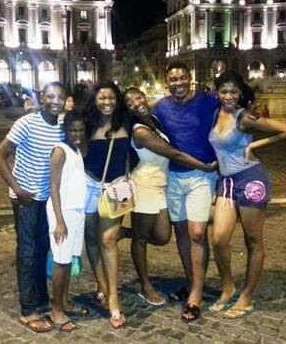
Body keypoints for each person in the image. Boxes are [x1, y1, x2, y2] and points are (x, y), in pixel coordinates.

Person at [208, 70, 286, 318]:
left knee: (253, 240)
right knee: (218, 239)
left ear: (240, 93)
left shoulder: (245, 117)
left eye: (233, 91)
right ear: (217, 93)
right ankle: (228, 287)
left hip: (250, 179)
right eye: (224, 91)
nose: (228, 96)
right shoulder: (215, 114)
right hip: (226, 182)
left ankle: (246, 297)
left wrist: (255, 144)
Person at [124, 87, 216, 306]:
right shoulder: (140, 131)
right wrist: (203, 166)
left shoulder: (154, 119)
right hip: (144, 186)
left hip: (161, 186)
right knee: (141, 240)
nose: (136, 103)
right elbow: (173, 153)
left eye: (138, 97)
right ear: (127, 109)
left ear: (145, 97)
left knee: (163, 236)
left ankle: (125, 232)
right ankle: (145, 286)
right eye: (130, 102)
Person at [0, 82, 67, 332]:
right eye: (50, 96)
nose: (55, 101)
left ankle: (41, 300)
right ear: (42, 98)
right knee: (27, 250)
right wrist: (17, 189)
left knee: (42, 249)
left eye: (60, 97)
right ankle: (28, 310)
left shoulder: (62, 127)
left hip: (47, 198)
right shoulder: (26, 123)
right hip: (26, 198)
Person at [153, 61, 221, 323]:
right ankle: (191, 281)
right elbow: (139, 116)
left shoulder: (207, 100)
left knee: (197, 233)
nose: (178, 83)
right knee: (181, 232)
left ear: (189, 78)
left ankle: (196, 294)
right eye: (173, 79)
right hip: (173, 177)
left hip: (202, 175)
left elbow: (234, 105)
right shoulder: (161, 107)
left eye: (182, 78)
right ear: (167, 82)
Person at [82, 80, 129, 329]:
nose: (107, 102)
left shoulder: (127, 123)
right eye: (102, 98)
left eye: (111, 97)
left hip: (116, 188)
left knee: (108, 239)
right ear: (95, 100)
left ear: (117, 100)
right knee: (91, 237)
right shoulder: (86, 124)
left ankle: (113, 298)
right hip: (88, 185)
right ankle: (102, 284)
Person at [44, 110, 87, 333]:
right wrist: (60, 221)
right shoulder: (60, 151)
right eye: (73, 130)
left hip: (76, 211)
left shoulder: (76, 150)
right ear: (65, 130)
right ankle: (56, 311)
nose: (77, 134)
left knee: (69, 260)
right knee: (60, 262)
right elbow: (53, 187)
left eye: (81, 130)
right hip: (63, 213)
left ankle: (65, 302)